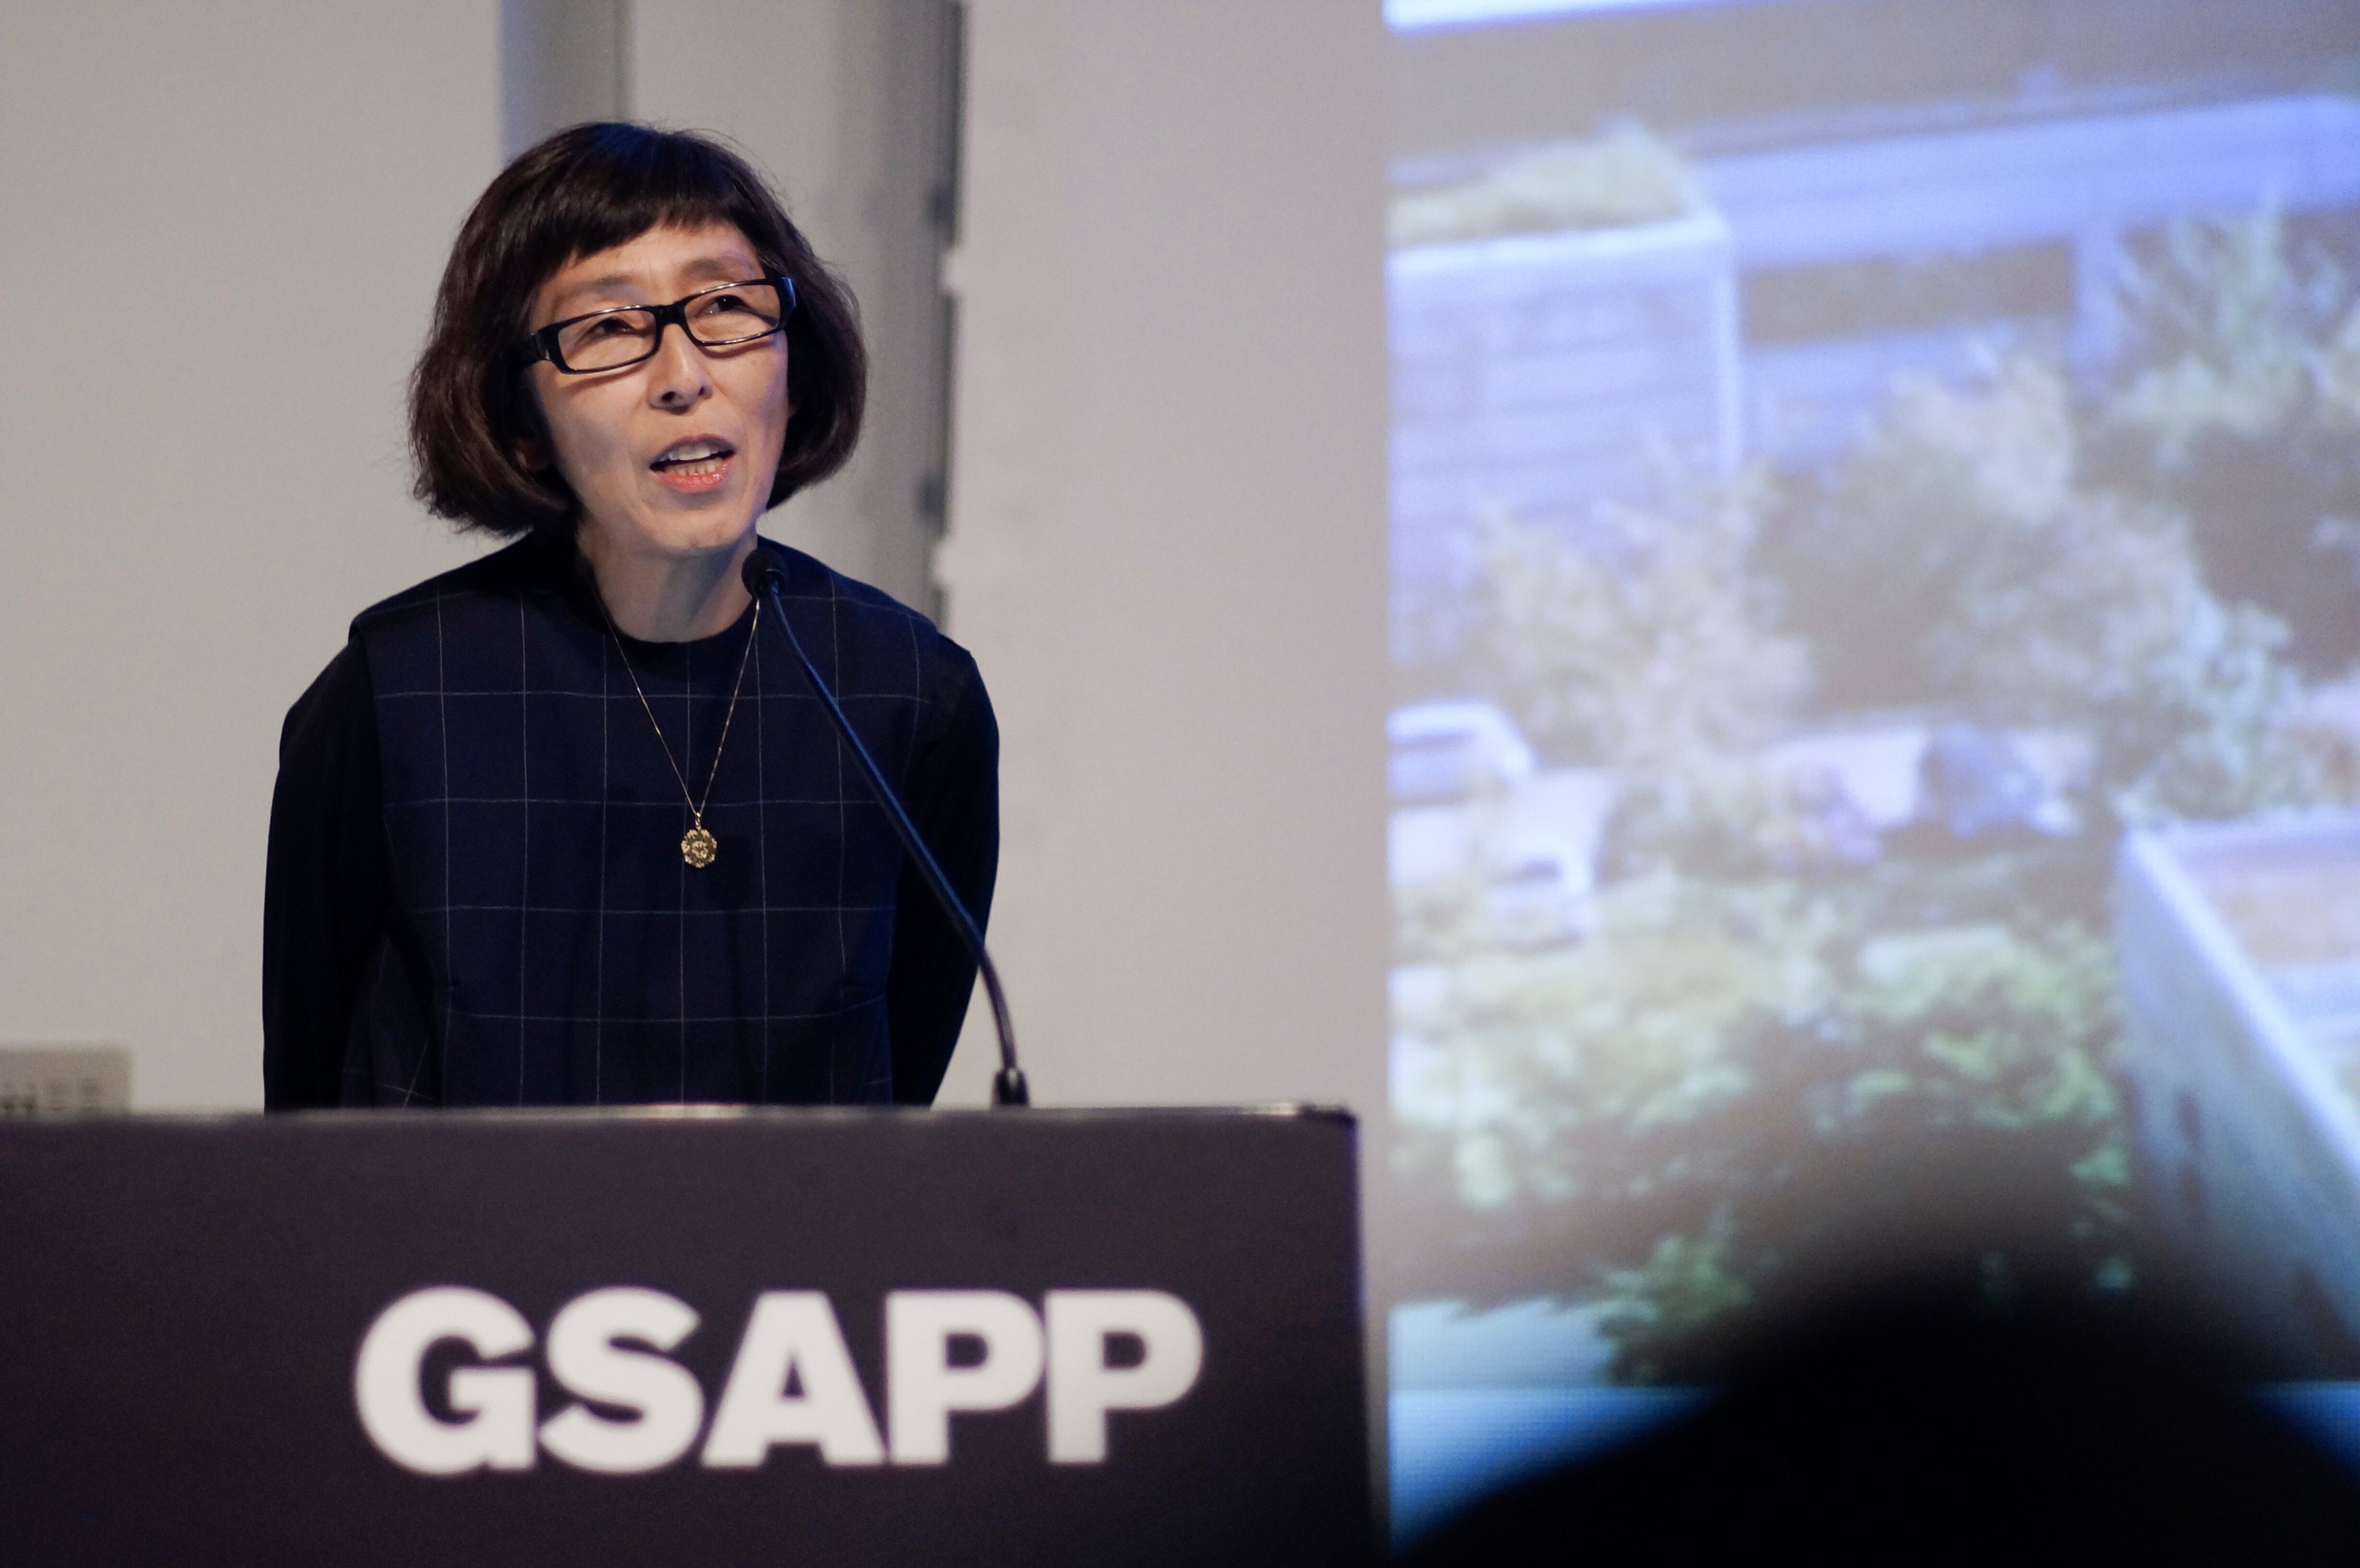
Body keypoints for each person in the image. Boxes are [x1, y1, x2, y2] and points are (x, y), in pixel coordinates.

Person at [262, 123, 996, 1110]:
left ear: (795, 366)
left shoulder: (910, 698)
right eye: (609, 328)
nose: (683, 374)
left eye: (726, 306)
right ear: (522, 424)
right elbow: (308, 1111)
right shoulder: (396, 694)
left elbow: (900, 1082)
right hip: (454, 1221)